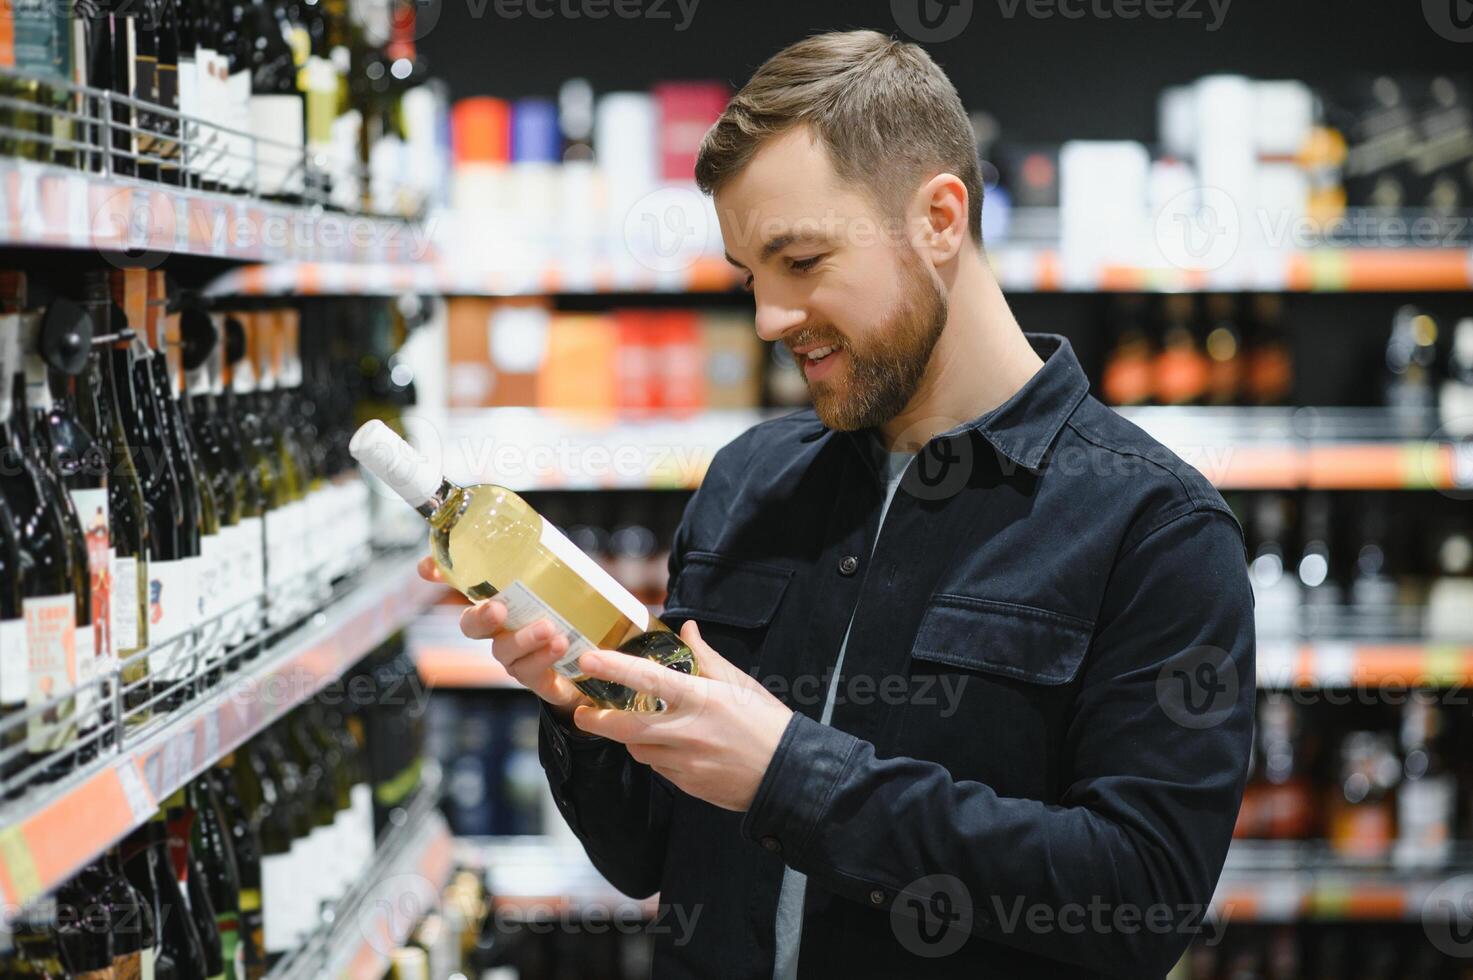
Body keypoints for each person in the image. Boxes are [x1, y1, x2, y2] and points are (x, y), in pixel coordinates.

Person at [421, 29, 1254, 979]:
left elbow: (1140, 901)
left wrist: (791, 776)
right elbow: (645, 855)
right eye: (750, 277)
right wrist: (581, 702)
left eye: (802, 261)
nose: (769, 318)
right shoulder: (746, 482)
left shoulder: (1153, 529)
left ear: (939, 219)